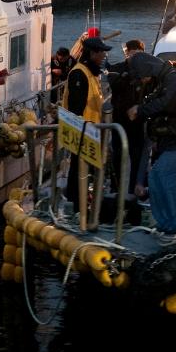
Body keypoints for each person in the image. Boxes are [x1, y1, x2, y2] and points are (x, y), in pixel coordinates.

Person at [127, 52, 176, 235]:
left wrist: (141, 109)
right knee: (156, 178)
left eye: (142, 75)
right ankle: (166, 224)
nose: (143, 79)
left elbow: (166, 103)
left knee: (167, 178)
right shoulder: (163, 81)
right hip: (172, 141)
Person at [62, 34, 111, 204]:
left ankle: (81, 198)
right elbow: (76, 107)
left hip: (91, 130)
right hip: (81, 130)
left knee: (85, 168)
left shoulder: (92, 73)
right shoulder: (79, 73)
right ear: (92, 54)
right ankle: (76, 202)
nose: (104, 56)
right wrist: (81, 130)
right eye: (101, 53)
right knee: (78, 167)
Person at [105, 39, 148, 222]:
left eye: (138, 53)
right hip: (120, 119)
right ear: (126, 52)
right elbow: (114, 83)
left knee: (138, 154)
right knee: (117, 154)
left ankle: (134, 187)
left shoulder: (147, 71)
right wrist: (130, 74)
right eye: (131, 53)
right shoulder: (117, 68)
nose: (134, 56)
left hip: (138, 120)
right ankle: (115, 187)